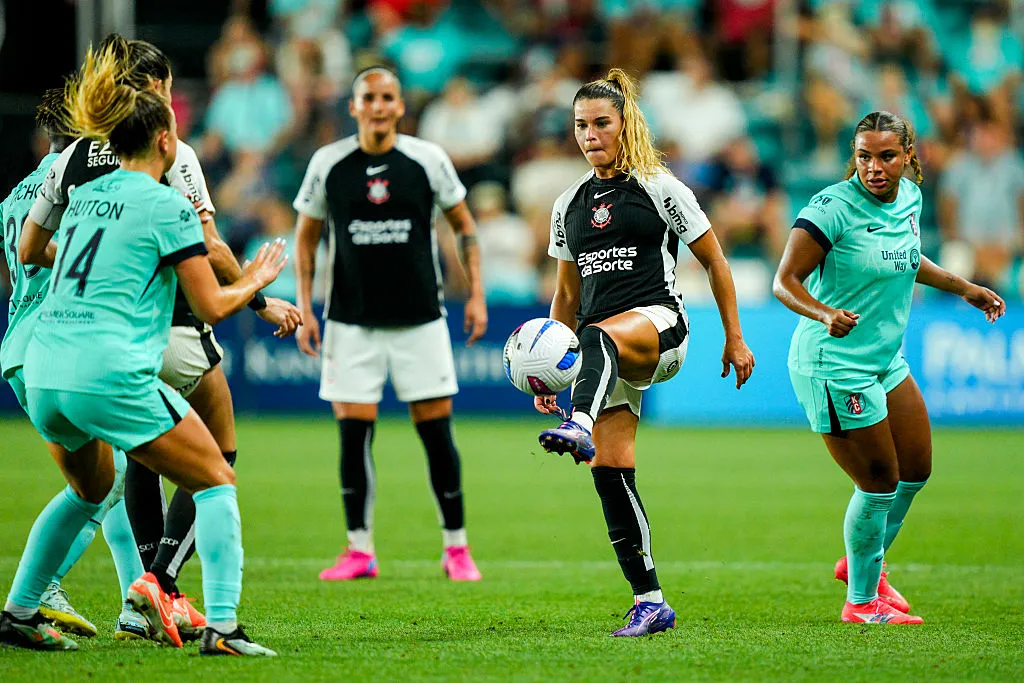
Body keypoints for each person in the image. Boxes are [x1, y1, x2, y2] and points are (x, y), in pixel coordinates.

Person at [20, 34, 301, 640]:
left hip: (46, 357)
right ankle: (178, 593)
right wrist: (259, 287)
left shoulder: (76, 169)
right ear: (162, 124)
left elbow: (29, 248)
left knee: (102, 485)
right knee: (216, 464)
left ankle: (34, 608)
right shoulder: (172, 173)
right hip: (143, 342)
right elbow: (212, 271)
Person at [535, 69, 755, 636]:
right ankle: (650, 600)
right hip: (603, 349)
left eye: (601, 123)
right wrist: (548, 378)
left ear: (625, 123)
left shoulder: (660, 186)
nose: (590, 135)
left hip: (661, 329)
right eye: (581, 125)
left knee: (598, 335)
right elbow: (565, 294)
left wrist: (734, 336)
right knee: (611, 472)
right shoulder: (569, 204)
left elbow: (715, 260)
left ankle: (579, 422)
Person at [772, 110, 1005, 625]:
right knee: (878, 482)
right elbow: (784, 281)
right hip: (833, 363)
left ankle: (862, 559)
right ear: (853, 157)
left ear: (907, 158)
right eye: (863, 156)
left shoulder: (910, 198)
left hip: (883, 360)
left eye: (886, 156)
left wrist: (961, 287)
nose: (874, 167)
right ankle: (861, 602)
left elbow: (907, 256)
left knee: (915, 470)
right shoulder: (830, 209)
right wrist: (825, 311)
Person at [293, 66, 488, 582]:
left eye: (387, 98)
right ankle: (359, 550)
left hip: (419, 317)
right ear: (353, 106)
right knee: (353, 436)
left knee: (437, 434)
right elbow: (306, 239)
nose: (378, 106)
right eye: (368, 98)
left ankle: (457, 548)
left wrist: (476, 297)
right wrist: (306, 307)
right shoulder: (328, 163)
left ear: (400, 107)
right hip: (350, 321)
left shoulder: (427, 160)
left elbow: (466, 229)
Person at [0, 89, 148, 648]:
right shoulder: (83, 183)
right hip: (62, 340)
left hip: (18, 345)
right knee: (109, 479)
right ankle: (51, 591)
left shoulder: (17, 193)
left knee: (101, 481)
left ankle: (130, 597)